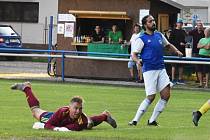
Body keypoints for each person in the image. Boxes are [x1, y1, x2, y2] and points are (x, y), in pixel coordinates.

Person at [128, 15, 183, 126]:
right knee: (151, 97)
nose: (153, 22)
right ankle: (135, 120)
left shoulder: (159, 35)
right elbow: (133, 54)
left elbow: (167, 45)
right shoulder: (141, 38)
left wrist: (177, 51)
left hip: (161, 69)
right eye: (150, 21)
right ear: (145, 25)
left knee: (166, 95)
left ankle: (152, 120)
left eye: (153, 21)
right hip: (149, 70)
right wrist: (138, 61)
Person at [10, 82, 117, 131]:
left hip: (67, 123)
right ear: (69, 107)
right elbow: (48, 125)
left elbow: (73, 128)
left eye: (80, 109)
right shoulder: (62, 111)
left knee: (88, 125)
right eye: (75, 108)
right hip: (55, 118)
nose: (78, 111)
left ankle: (104, 116)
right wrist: (56, 128)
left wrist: (62, 129)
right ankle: (26, 88)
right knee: (35, 112)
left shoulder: (82, 119)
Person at [169, 19, 187, 85]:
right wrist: (179, 43)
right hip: (174, 50)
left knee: (181, 65)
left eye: (181, 23)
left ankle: (180, 79)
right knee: (174, 65)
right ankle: (173, 79)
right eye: (179, 23)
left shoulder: (183, 31)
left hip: (182, 50)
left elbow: (186, 40)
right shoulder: (173, 31)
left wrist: (185, 43)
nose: (180, 24)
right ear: (176, 23)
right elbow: (170, 41)